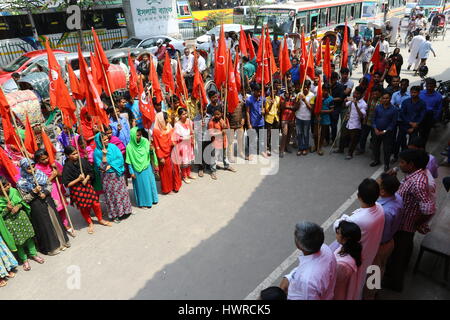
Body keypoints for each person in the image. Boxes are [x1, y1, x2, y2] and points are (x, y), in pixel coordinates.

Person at [384, 149, 435, 292]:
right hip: (402, 224)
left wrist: (417, 222)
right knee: (401, 253)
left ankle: (391, 283)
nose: (399, 165)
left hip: (404, 226)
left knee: (396, 257)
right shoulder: (413, 176)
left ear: (411, 164)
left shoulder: (418, 183)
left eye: (402, 162)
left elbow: (428, 208)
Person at [333, 178, 385, 299]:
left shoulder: (357, 220)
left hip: (360, 256)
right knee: (369, 279)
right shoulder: (379, 208)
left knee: (354, 286)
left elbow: (338, 226)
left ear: (359, 196)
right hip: (372, 251)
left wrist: (343, 219)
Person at [17, 158, 70, 256]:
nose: (32, 169)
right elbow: (24, 199)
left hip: (47, 200)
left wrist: (45, 192)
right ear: (24, 169)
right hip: (36, 205)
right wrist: (34, 192)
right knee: (45, 225)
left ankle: (63, 242)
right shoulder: (21, 182)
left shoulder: (40, 174)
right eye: (29, 168)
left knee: (55, 220)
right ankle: (52, 247)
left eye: (33, 166)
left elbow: (49, 184)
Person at [363, 173, 403, 299]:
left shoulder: (385, 212)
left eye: (377, 185)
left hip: (380, 246)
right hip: (389, 242)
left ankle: (370, 295)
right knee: (380, 268)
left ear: (383, 191)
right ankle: (374, 291)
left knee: (373, 272)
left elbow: (382, 236)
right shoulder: (397, 197)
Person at [280, 221, 337, 300]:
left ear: (299, 245)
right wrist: (289, 278)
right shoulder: (325, 249)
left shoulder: (307, 282)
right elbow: (304, 267)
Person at [62, 146, 112, 234]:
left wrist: (86, 178)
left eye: (76, 153)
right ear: (67, 155)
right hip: (77, 189)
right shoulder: (66, 167)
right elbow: (67, 184)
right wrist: (78, 179)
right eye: (73, 154)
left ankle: (100, 219)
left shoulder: (83, 161)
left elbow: (90, 171)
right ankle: (90, 223)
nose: (76, 155)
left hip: (87, 186)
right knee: (84, 207)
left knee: (96, 203)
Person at [0, 176, 44, 272]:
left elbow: (22, 202)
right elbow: (0, 216)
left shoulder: (14, 191)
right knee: (18, 242)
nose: (8, 187)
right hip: (10, 223)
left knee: (28, 237)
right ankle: (24, 260)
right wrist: (6, 210)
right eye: (4, 187)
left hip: (21, 218)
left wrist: (18, 206)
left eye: (7, 185)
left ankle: (34, 254)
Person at [34, 149, 75, 237]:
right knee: (55, 210)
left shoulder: (53, 163)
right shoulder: (36, 169)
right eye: (43, 159)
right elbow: (39, 184)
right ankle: (59, 227)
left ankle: (66, 225)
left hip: (58, 188)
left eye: (46, 158)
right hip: (49, 191)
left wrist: (57, 171)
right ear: (38, 160)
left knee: (62, 208)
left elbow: (63, 174)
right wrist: (52, 176)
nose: (46, 160)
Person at [93, 133, 132, 223]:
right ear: (99, 141)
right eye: (104, 140)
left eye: (107, 139)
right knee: (112, 196)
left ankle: (126, 211)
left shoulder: (113, 147)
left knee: (122, 193)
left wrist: (110, 166)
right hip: (107, 179)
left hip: (118, 175)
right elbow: (102, 168)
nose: (106, 141)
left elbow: (120, 159)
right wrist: (104, 155)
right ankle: (116, 215)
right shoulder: (97, 152)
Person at [125, 127, 159, 208]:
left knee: (150, 184)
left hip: (147, 166)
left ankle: (153, 199)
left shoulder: (145, 141)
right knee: (141, 188)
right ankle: (144, 203)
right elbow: (129, 161)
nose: (139, 137)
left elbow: (150, 154)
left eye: (140, 135)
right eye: (137, 135)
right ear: (133, 136)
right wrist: (131, 172)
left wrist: (151, 150)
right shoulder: (129, 147)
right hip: (137, 170)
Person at [393, 86, 426, 162]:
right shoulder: (405, 102)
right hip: (404, 125)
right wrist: (409, 122)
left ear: (418, 93)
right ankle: (395, 156)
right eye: (412, 92)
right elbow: (402, 114)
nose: (413, 94)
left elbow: (422, 115)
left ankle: (409, 159)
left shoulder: (422, 103)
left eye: (415, 92)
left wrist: (415, 125)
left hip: (415, 127)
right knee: (399, 141)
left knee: (412, 144)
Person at [335, 86, 367, 160]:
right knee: (343, 136)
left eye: (357, 93)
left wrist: (356, 105)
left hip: (356, 125)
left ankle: (350, 154)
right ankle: (341, 149)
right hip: (349, 122)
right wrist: (345, 101)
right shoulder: (352, 100)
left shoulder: (364, 104)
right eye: (355, 93)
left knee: (353, 140)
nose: (355, 95)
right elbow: (344, 106)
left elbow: (362, 116)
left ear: (361, 95)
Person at [153, 112, 182, 194]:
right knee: (166, 173)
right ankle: (167, 189)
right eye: (166, 120)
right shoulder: (156, 131)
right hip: (163, 155)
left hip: (173, 152)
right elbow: (157, 145)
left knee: (175, 170)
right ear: (161, 120)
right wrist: (160, 157)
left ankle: (176, 186)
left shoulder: (169, 126)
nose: (167, 121)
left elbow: (173, 135)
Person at [333, 221, 362, 300]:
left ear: (345, 238)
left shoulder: (342, 266)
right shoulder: (352, 248)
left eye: (338, 232)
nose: (336, 234)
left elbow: (335, 283)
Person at [371, 91, 399, 172]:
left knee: (386, 149)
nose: (385, 100)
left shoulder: (394, 110)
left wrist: (384, 131)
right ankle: (376, 160)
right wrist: (375, 129)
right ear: (381, 99)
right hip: (376, 131)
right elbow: (374, 119)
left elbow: (393, 123)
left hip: (387, 133)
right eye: (383, 98)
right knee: (375, 147)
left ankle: (386, 164)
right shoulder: (378, 107)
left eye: (387, 98)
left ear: (390, 99)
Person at [208, 107, 236, 180]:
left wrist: (225, 128)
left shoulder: (224, 119)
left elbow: (228, 128)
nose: (217, 116)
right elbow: (211, 133)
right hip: (215, 142)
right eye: (215, 114)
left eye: (218, 114)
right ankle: (213, 171)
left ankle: (226, 165)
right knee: (214, 157)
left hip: (223, 141)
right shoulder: (211, 122)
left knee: (224, 155)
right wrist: (220, 132)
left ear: (221, 114)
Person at [357, 85, 383, 155]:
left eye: (376, 94)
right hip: (367, 121)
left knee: (375, 139)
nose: (374, 95)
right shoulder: (370, 99)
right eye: (373, 94)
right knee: (363, 136)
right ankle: (361, 149)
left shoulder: (382, 102)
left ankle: (375, 154)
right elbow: (366, 109)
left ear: (380, 94)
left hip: (376, 124)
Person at [174, 108, 196, 184]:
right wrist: (183, 138)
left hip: (189, 144)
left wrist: (192, 135)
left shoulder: (189, 121)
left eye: (186, 113)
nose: (185, 115)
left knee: (189, 159)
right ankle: (184, 176)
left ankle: (189, 173)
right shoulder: (177, 124)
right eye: (183, 114)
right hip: (182, 145)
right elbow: (176, 136)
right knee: (184, 160)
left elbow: (192, 131)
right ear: (179, 115)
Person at [246, 83, 267, 159]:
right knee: (252, 139)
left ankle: (262, 151)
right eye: (257, 92)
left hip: (261, 122)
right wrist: (249, 124)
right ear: (253, 91)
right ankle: (251, 153)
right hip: (253, 123)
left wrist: (264, 111)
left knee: (261, 139)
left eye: (260, 92)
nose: (259, 93)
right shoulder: (249, 100)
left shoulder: (263, 99)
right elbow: (247, 112)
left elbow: (264, 108)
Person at [419, 78, 443, 144]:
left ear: (435, 86)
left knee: (425, 136)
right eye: (428, 86)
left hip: (429, 118)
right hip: (419, 117)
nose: (429, 88)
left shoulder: (438, 96)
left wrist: (434, 120)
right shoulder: (420, 93)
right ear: (425, 85)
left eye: (431, 86)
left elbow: (439, 109)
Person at [312, 83, 334, 156]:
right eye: (324, 90)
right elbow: (314, 108)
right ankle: (315, 146)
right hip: (317, 118)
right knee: (315, 134)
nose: (325, 92)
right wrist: (317, 115)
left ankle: (320, 147)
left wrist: (322, 111)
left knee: (322, 135)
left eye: (327, 90)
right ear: (322, 89)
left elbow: (331, 110)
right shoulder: (317, 97)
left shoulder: (331, 99)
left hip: (325, 119)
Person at [295, 80, 314, 156]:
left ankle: (305, 148)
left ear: (309, 87)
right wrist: (298, 100)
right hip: (299, 117)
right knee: (299, 133)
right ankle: (300, 148)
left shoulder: (312, 96)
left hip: (307, 118)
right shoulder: (299, 94)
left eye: (306, 87)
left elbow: (311, 108)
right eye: (304, 87)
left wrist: (304, 100)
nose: (305, 89)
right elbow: (295, 107)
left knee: (306, 134)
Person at [264, 80, 281, 157]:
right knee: (268, 134)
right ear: (270, 91)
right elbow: (266, 111)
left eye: (275, 90)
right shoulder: (266, 99)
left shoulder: (278, 98)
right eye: (272, 90)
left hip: (276, 118)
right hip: (269, 119)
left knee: (275, 133)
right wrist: (271, 104)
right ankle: (267, 148)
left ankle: (274, 147)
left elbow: (279, 108)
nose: (274, 91)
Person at [280, 88, 297, 157]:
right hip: (284, 119)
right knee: (284, 134)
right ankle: (282, 149)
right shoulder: (282, 97)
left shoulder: (294, 97)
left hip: (291, 118)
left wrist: (288, 107)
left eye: (291, 90)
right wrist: (286, 99)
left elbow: (295, 107)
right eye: (288, 90)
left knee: (289, 134)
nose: (290, 92)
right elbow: (282, 107)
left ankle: (287, 146)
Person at [330, 72, 346, 143]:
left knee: (334, 124)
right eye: (331, 79)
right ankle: (327, 139)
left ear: (336, 79)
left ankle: (333, 140)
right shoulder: (328, 85)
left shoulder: (341, 86)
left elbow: (340, 98)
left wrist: (330, 99)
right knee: (326, 124)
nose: (332, 81)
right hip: (327, 107)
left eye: (334, 79)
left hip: (336, 107)